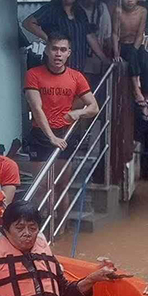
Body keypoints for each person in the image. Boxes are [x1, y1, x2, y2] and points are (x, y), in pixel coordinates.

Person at [24, 32, 100, 216]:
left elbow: (94, 107)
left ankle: (61, 231)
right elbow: (36, 108)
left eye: (63, 50)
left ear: (69, 53)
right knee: (41, 186)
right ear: (47, 51)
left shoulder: (76, 77)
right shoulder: (33, 74)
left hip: (65, 134)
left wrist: (77, 112)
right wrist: (51, 137)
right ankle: (41, 228)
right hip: (41, 134)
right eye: (54, 49)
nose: (58, 54)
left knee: (61, 185)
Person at [22, 0, 110, 72]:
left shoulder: (79, 12)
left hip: (78, 66)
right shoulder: (51, 9)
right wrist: (49, 39)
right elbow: (28, 23)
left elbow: (90, 36)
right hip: (56, 67)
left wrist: (104, 58)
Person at [113, 0, 148, 122]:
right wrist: (116, 53)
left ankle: (146, 97)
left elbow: (140, 34)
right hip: (123, 46)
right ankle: (137, 92)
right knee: (131, 58)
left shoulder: (142, 11)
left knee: (147, 63)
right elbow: (115, 34)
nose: (129, 0)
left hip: (136, 44)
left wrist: (135, 49)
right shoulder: (118, 11)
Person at [78, 0, 113, 77]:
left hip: (97, 62)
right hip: (78, 59)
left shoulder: (102, 8)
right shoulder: (76, 9)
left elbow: (107, 37)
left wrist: (108, 58)